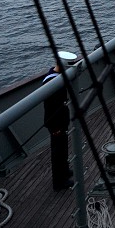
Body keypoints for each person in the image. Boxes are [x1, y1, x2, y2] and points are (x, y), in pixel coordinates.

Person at [43, 51, 77, 191]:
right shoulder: (52, 82)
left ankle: (64, 171)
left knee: (63, 147)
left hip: (61, 121)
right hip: (55, 123)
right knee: (57, 152)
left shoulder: (55, 76)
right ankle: (58, 182)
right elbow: (51, 108)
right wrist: (55, 127)